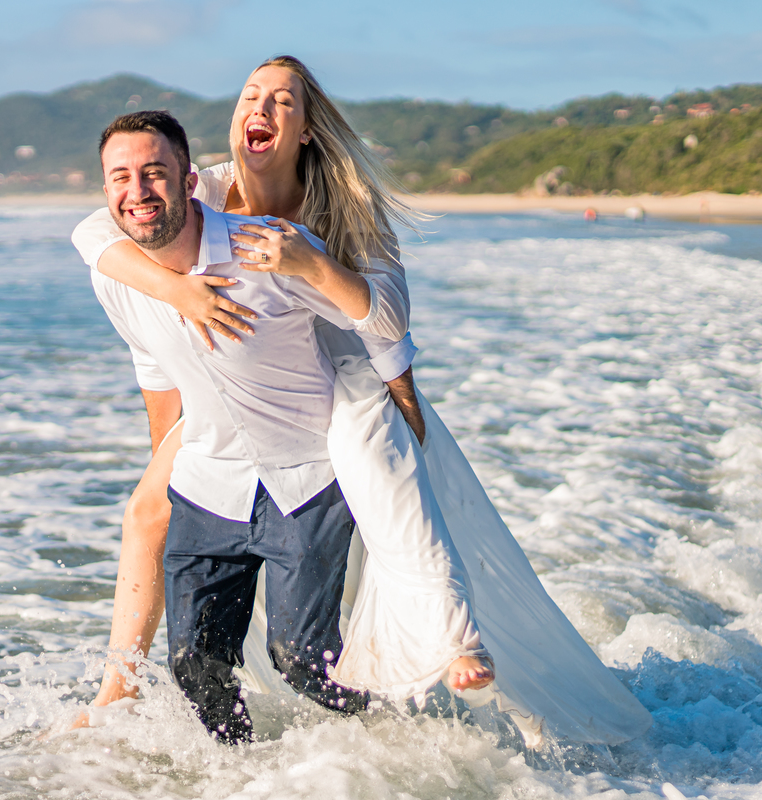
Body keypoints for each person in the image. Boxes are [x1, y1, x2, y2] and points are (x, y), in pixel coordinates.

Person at [72, 57, 652, 748]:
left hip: (343, 383)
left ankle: (448, 645)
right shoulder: (200, 194)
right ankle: (123, 695)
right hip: (227, 406)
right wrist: (176, 296)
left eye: (282, 101)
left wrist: (380, 362)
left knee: (384, 493)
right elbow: (107, 256)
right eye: (250, 95)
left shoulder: (337, 210)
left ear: (306, 130)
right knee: (149, 514)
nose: (260, 108)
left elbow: (388, 322)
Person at [85, 109, 450, 742]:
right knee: (194, 667)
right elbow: (153, 365)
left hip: (304, 479)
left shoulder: (268, 249)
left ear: (190, 181)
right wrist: (163, 465)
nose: (137, 191)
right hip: (209, 483)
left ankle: (392, 738)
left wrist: (406, 408)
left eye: (154, 173)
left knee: (301, 659)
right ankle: (245, 772)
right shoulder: (115, 277)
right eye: (121, 177)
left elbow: (371, 322)